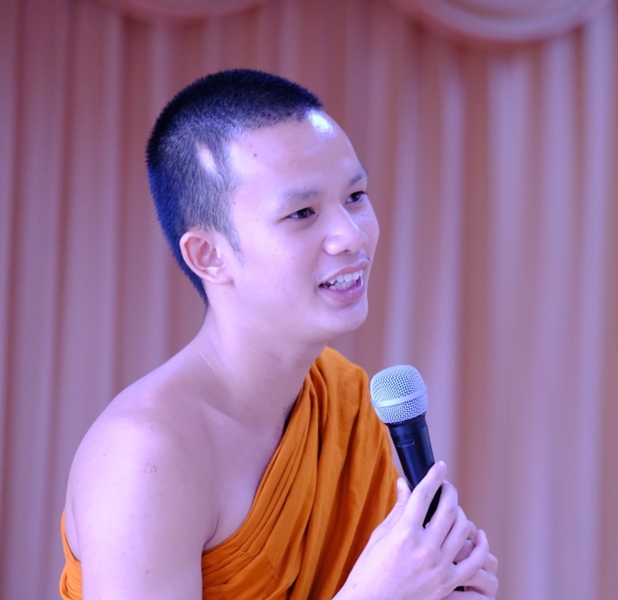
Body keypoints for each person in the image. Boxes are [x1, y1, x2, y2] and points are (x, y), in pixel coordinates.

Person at [59, 69, 498, 600]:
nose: (350, 236)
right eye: (302, 212)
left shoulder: (343, 402)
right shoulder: (145, 456)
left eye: (356, 196)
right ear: (209, 255)